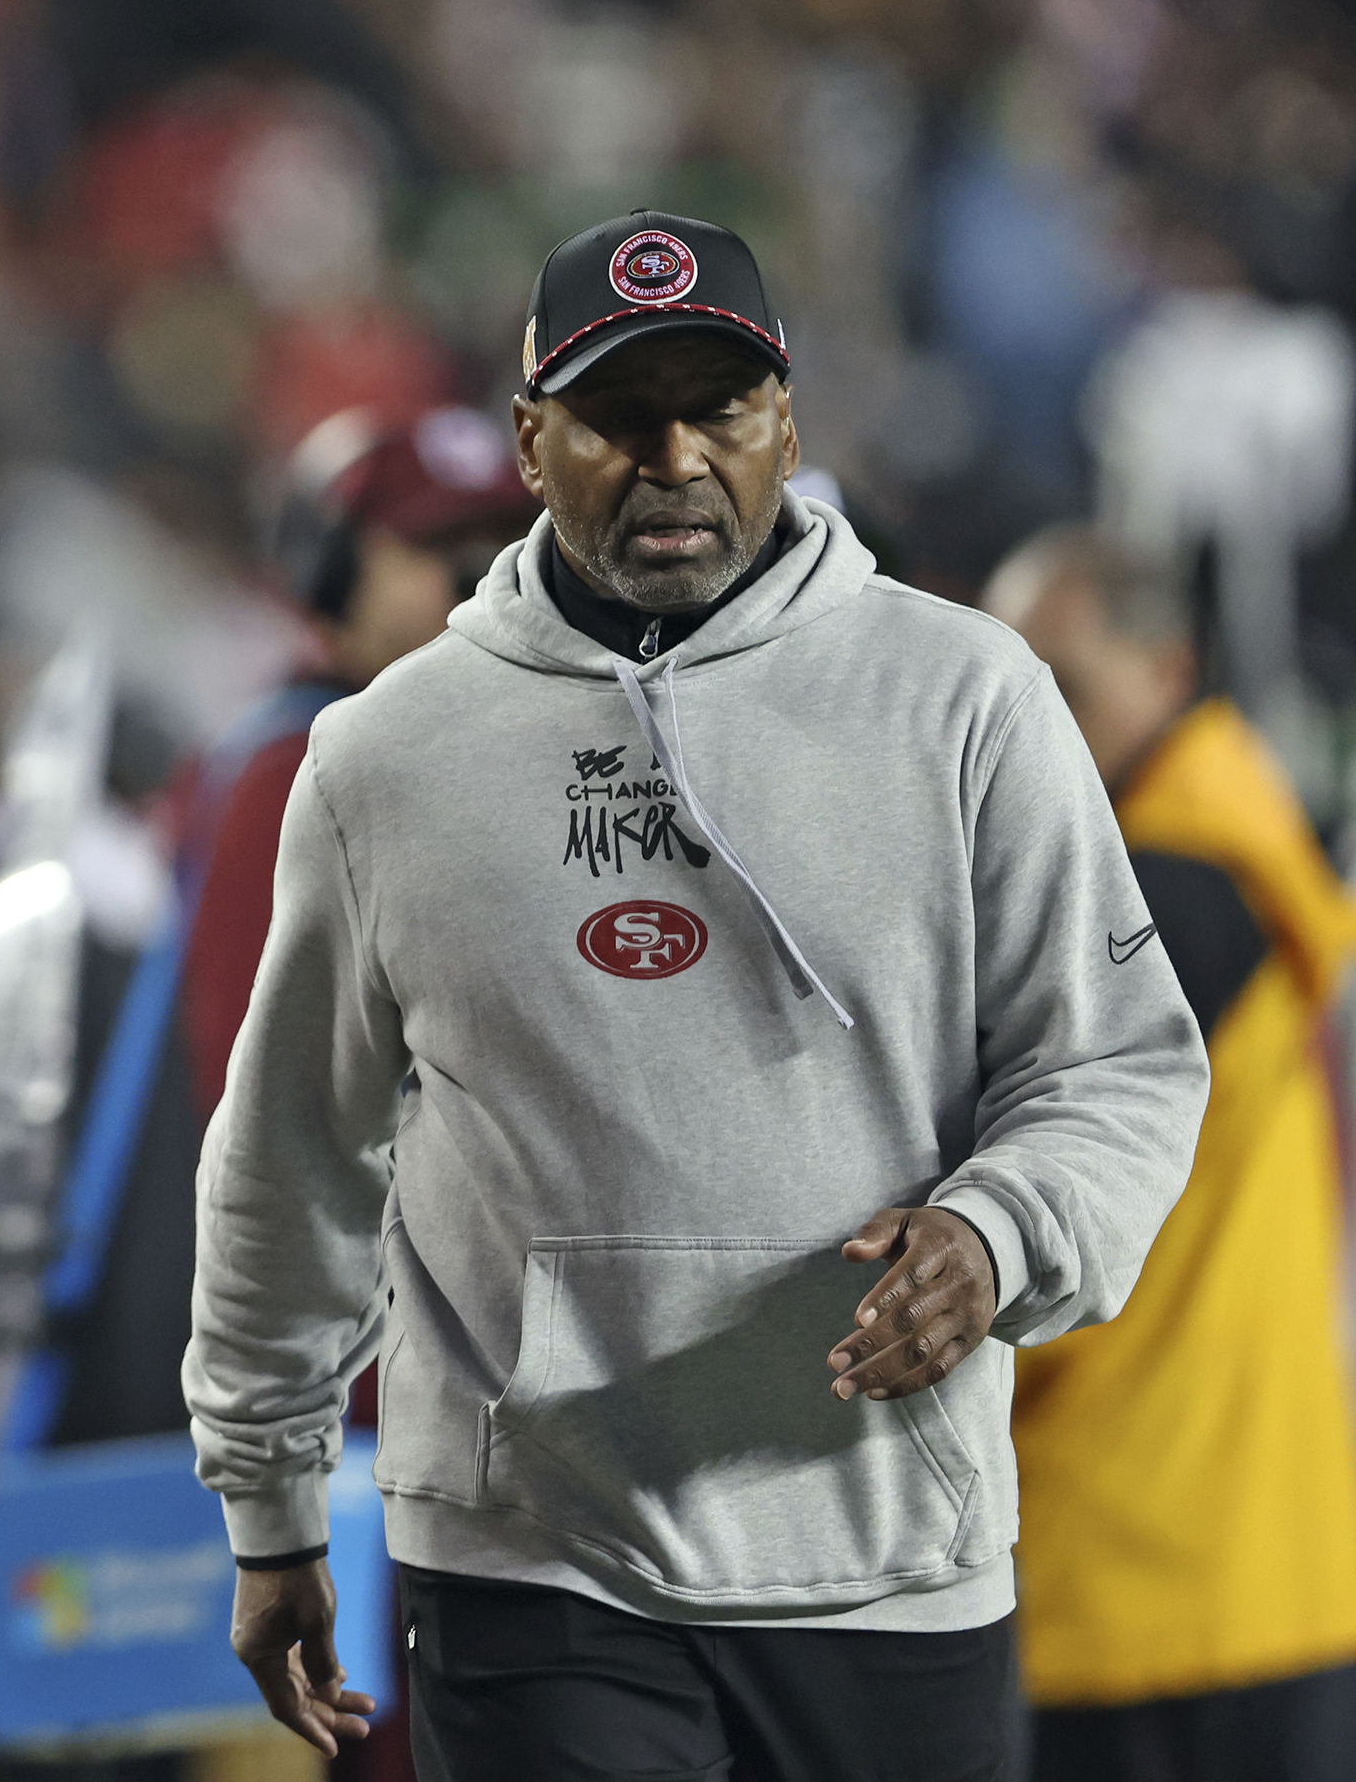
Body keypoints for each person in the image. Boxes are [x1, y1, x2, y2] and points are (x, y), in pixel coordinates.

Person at [183, 209, 1209, 1780]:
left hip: (890, 1552)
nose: (674, 456)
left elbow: (1118, 1068)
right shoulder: (383, 760)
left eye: (719, 407)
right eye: (614, 412)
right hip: (534, 1561)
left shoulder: (967, 699)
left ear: (786, 424)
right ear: (531, 441)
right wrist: (268, 1502)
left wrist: (1000, 1232)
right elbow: (293, 1161)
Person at [984, 529, 1356, 1780]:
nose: (1027, 738)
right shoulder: (1232, 834)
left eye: (1066, 691)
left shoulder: (1181, 883)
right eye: (1006, 696)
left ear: (1170, 663)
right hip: (1265, 1565)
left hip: (1133, 1574)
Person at [182, 407, 540, 1115]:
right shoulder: (293, 770)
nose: (481, 579)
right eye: (437, 546)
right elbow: (261, 1099)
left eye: (505, 548)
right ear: (333, 572)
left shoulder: (490, 743)